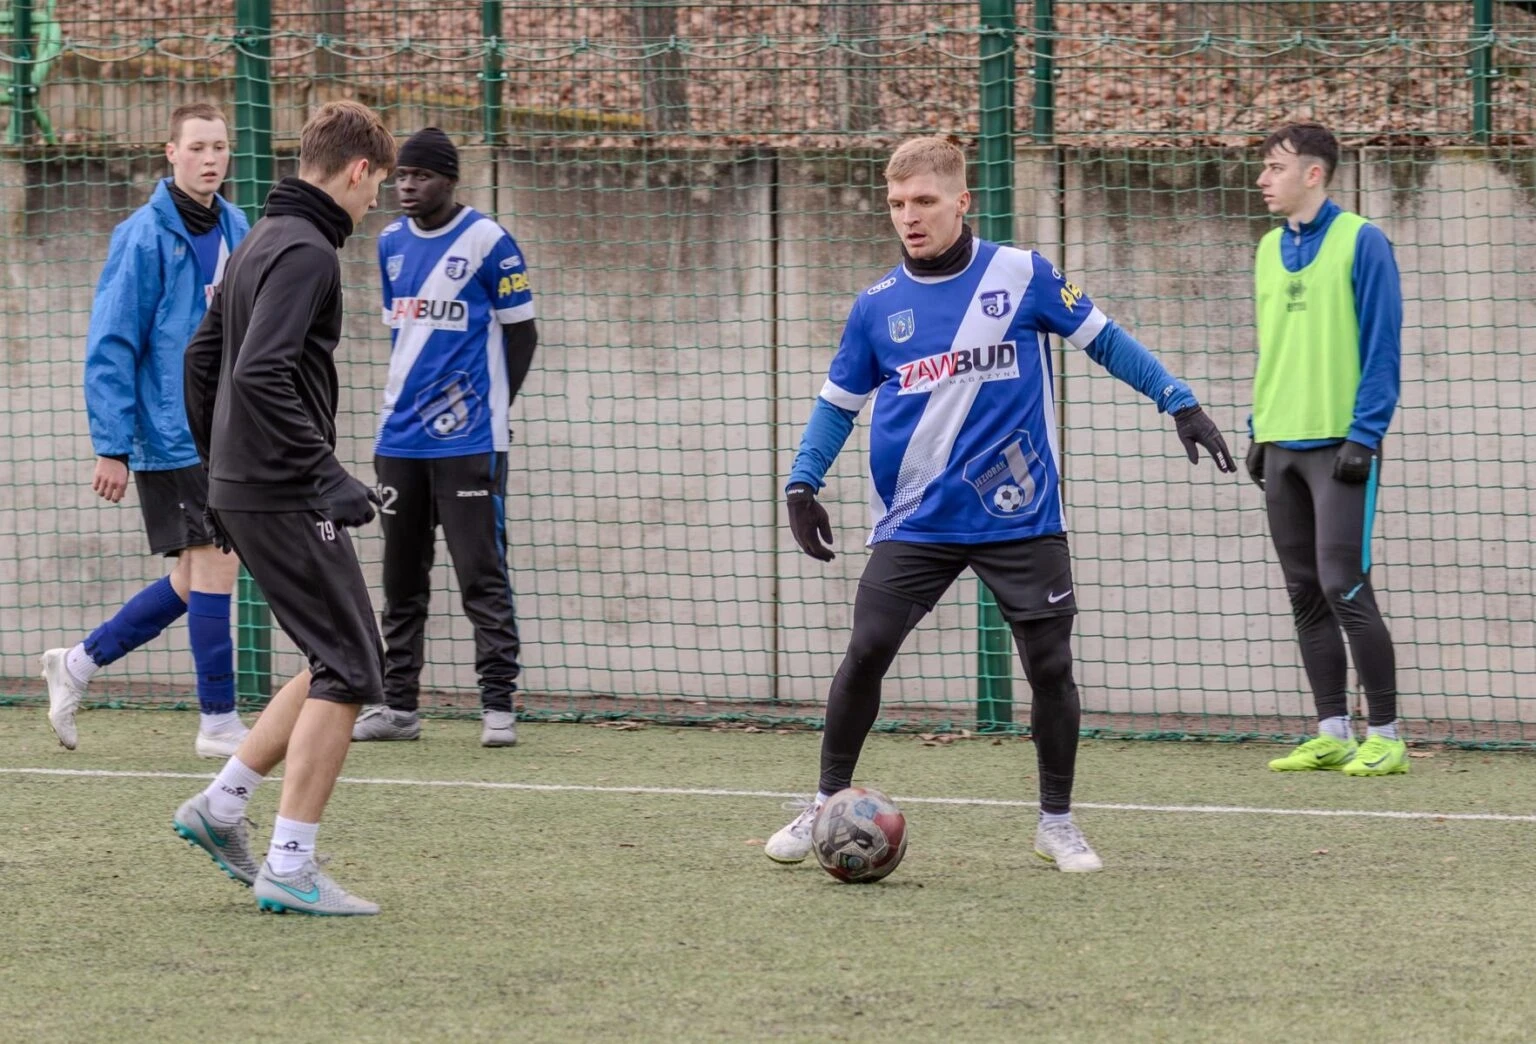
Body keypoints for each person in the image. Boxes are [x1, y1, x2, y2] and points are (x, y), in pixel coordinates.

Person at [764, 136, 1234, 872]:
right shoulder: (876, 306)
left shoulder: (1020, 274)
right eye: (897, 203)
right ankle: (824, 803)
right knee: (867, 650)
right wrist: (803, 482)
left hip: (1020, 514)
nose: (909, 217)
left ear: (961, 201)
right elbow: (837, 405)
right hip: (916, 517)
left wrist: (1179, 401)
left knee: (1050, 667)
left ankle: (1057, 824)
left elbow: (1106, 341)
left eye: (924, 201)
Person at [171, 100, 395, 916]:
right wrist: (323, 474)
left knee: (337, 653)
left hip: (248, 484)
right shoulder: (306, 251)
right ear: (358, 170)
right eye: (377, 186)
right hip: (281, 488)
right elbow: (258, 371)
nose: (374, 204)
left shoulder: (259, 239)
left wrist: (218, 473)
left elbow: (201, 362)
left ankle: (222, 804)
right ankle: (290, 864)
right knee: (350, 668)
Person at [42, 103, 250, 757]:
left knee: (196, 576)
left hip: (225, 430)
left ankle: (77, 663)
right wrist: (112, 446)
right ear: (171, 152)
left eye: (219, 147)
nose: (210, 159)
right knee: (217, 562)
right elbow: (112, 344)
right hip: (170, 432)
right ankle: (218, 720)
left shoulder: (239, 226)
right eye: (198, 147)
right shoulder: (141, 236)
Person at [350, 127, 536, 748]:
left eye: (421, 176)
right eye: (401, 176)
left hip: (469, 444)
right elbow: (402, 337)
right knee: (401, 580)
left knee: (481, 574)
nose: (407, 186)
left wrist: (494, 409)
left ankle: (498, 704)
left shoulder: (488, 241)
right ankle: (398, 707)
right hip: (399, 443)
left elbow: (522, 333)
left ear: (450, 181)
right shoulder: (389, 242)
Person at [1248, 122, 1406, 777]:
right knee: (1304, 590)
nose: (1263, 179)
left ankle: (1387, 735)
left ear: (1314, 174)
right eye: (1264, 167)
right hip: (1280, 442)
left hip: (1341, 446)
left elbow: (1383, 348)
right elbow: (1272, 348)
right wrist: (1258, 429)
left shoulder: (1362, 241)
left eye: (1276, 167)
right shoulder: (1265, 249)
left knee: (1345, 583)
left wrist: (1365, 434)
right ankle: (1332, 731)